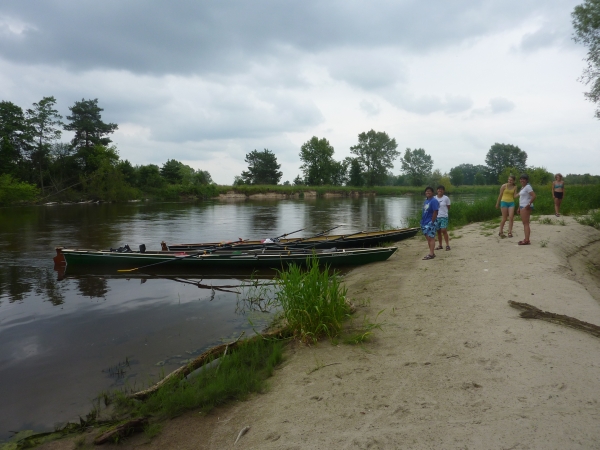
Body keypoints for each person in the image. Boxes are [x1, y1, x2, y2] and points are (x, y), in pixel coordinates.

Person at [516, 173, 536, 245]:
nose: (522, 180)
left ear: (527, 180)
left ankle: (527, 240)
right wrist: (519, 207)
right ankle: (526, 238)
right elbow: (521, 198)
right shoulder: (523, 188)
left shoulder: (528, 187)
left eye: (524, 179)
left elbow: (534, 196)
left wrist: (529, 204)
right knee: (524, 223)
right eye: (521, 179)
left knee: (526, 223)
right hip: (522, 206)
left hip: (526, 206)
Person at [420, 186, 439, 260]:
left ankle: (431, 254)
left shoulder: (434, 201)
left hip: (430, 222)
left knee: (431, 238)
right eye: (426, 191)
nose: (427, 192)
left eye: (429, 191)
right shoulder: (426, 201)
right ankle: (432, 253)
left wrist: (432, 221)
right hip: (424, 222)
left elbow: (435, 211)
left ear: (432, 193)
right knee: (428, 238)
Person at [435, 185, 451, 251]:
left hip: (444, 216)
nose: (440, 190)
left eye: (441, 189)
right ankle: (440, 245)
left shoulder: (446, 198)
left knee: (443, 230)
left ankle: (447, 245)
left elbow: (448, 207)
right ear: (437, 190)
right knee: (438, 231)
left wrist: (444, 212)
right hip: (436, 217)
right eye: (438, 189)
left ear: (443, 191)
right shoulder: (434, 198)